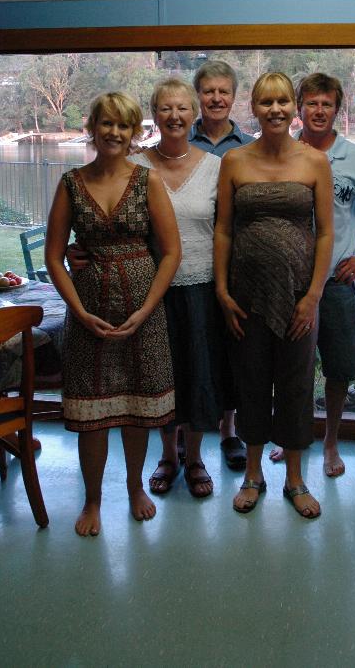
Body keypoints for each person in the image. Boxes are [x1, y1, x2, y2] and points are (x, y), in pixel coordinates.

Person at [45, 91, 181, 537]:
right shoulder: (70, 182)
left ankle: (136, 487)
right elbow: (52, 257)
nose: (115, 133)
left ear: (134, 131)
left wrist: (146, 310)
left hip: (142, 314)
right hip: (90, 315)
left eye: (124, 126)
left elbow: (171, 252)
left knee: (138, 407)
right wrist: (79, 312)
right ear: (93, 127)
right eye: (107, 124)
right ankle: (92, 499)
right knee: (92, 413)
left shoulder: (148, 181)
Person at [214, 72, 334, 518]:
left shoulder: (314, 162)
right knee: (250, 381)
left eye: (283, 101)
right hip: (245, 295)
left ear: (294, 106)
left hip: (300, 294)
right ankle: (252, 474)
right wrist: (223, 289)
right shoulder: (235, 161)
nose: (276, 109)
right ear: (255, 108)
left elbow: (324, 235)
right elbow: (224, 229)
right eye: (266, 102)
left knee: (296, 384)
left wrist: (313, 295)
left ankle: (296, 479)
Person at [269, 73, 355, 477]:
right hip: (290, 285)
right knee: (293, 370)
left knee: (339, 370)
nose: (319, 110)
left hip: (336, 284)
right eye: (311, 103)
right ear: (298, 109)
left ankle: (330, 445)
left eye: (327, 103)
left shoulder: (353, 157)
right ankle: (293, 439)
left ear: (337, 110)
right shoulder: (285, 153)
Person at [131, 77, 228, 498]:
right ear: (154, 114)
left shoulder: (215, 167)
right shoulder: (135, 166)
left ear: (195, 114)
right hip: (151, 290)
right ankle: (168, 456)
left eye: (182, 108)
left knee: (198, 375)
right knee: (161, 376)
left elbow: (226, 230)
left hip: (201, 288)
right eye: (165, 108)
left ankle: (195, 458)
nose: (174, 116)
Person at [189, 60, 254, 470]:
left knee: (233, 348)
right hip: (189, 260)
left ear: (234, 97)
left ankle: (230, 433)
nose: (216, 98)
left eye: (223, 92)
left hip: (237, 263)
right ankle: (184, 433)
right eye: (208, 91)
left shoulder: (249, 147)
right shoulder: (179, 141)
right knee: (192, 347)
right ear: (199, 95)